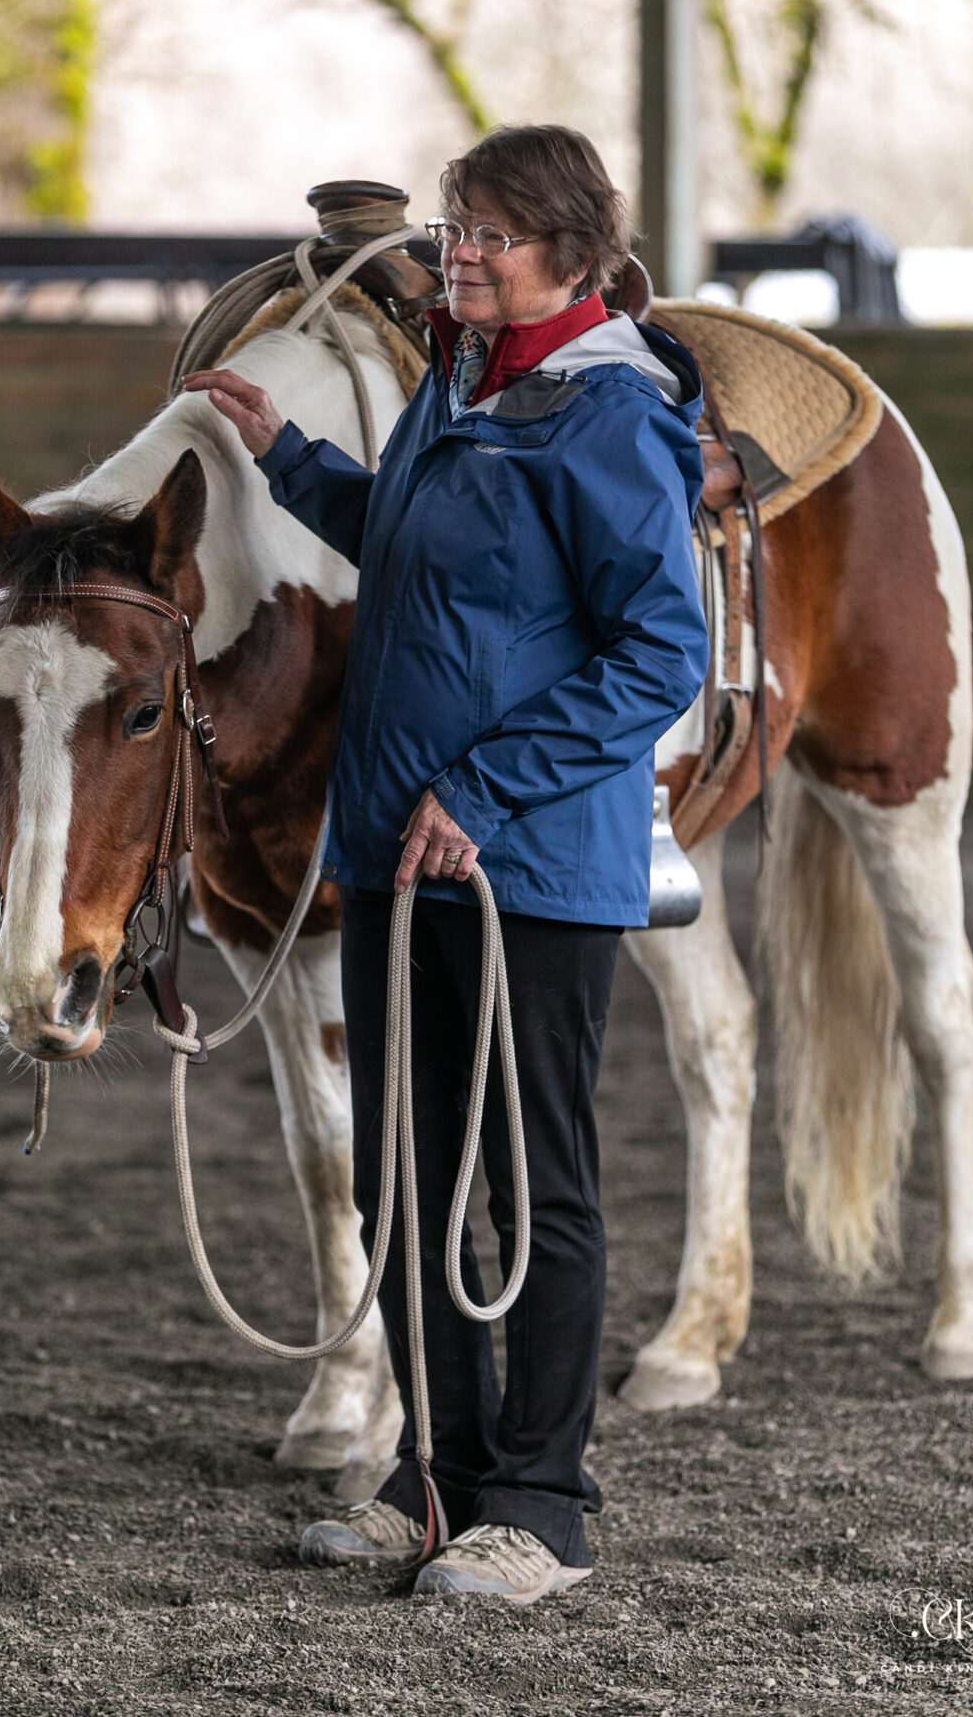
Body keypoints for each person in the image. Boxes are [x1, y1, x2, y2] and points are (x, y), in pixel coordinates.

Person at [184, 124, 710, 1605]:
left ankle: (540, 1509)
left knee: (536, 1189)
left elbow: (662, 652)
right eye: (453, 226)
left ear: (571, 254)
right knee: (403, 1181)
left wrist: (482, 790)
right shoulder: (462, 379)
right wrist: (290, 463)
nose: (452, 254)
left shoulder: (611, 414)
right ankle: (435, 1477)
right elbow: (419, 551)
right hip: (394, 851)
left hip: (522, 867)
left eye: (484, 234)